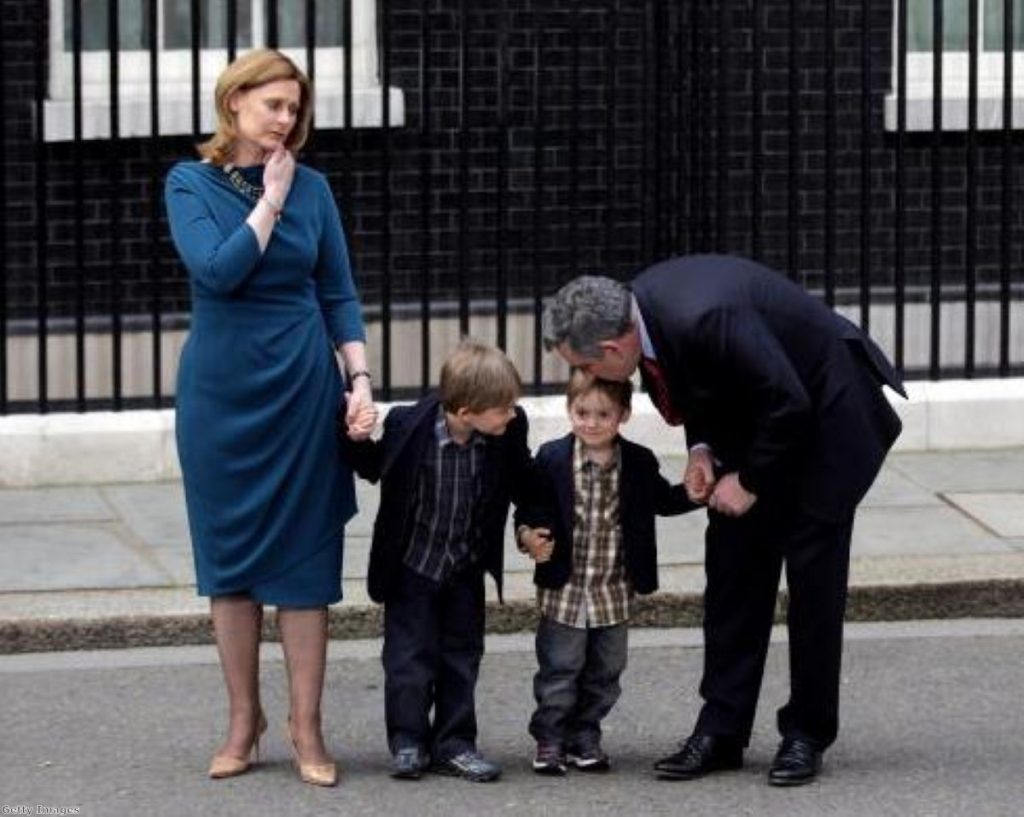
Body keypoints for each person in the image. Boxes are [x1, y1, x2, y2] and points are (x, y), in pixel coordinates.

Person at [542, 254, 904, 786]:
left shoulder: (702, 316)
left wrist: (749, 481)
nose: (587, 378)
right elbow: (702, 381)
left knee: (812, 584)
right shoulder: (644, 312)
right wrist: (703, 449)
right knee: (732, 572)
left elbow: (789, 399)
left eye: (588, 367)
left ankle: (806, 734)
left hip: (827, 415)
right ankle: (721, 730)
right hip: (761, 418)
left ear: (616, 348)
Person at [164, 49, 376, 787]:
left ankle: (306, 725)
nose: (286, 120)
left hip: (300, 387)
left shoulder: (314, 189)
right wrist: (270, 200)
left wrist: (360, 379)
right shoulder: (189, 182)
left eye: (293, 108)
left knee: (305, 566)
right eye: (272, 106)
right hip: (222, 395)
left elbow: (339, 292)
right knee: (230, 564)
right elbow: (218, 270)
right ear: (234, 106)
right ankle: (243, 721)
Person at [340, 339, 537, 783]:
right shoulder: (407, 425)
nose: (511, 413)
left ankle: (454, 743)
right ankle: (408, 740)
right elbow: (373, 467)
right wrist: (354, 437)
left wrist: (532, 523)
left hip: (464, 568)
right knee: (408, 661)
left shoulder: (506, 433)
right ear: (466, 410)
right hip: (412, 567)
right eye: (502, 408)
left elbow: (525, 480)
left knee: (461, 659)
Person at [515, 370, 695, 776]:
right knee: (560, 668)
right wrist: (527, 536)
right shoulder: (551, 459)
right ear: (568, 410)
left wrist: (693, 493)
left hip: (613, 590)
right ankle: (551, 736)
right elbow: (528, 509)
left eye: (603, 414)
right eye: (582, 412)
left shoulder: (638, 462)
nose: (591, 423)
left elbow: (662, 501)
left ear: (624, 416)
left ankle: (585, 734)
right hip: (565, 590)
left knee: (606, 671)